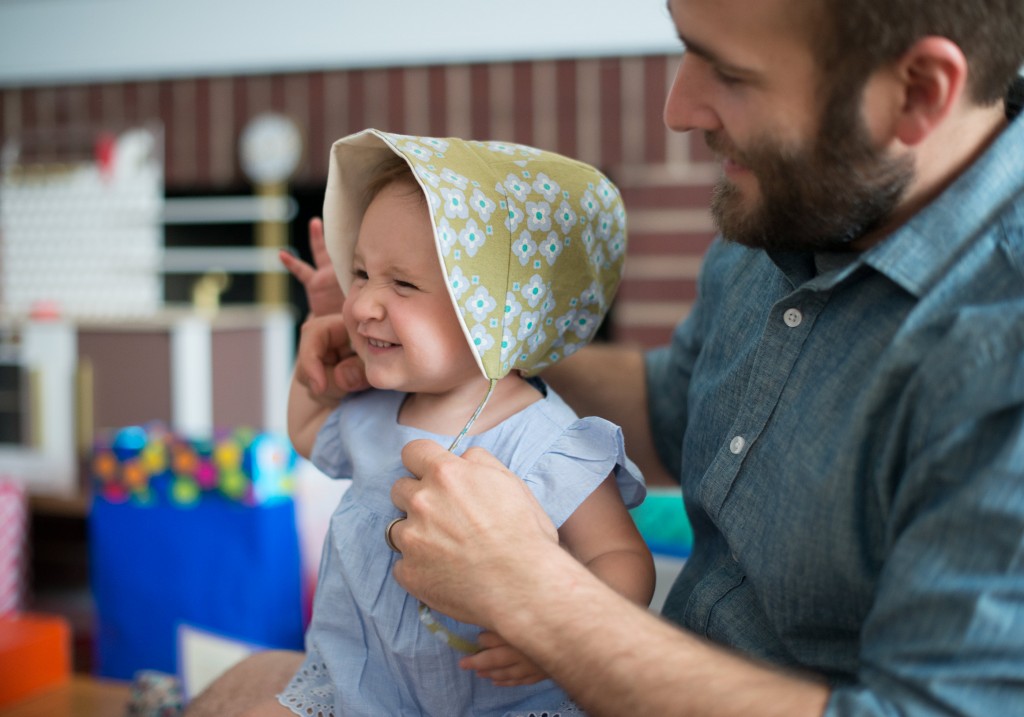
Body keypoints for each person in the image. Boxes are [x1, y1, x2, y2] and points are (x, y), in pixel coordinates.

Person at [188, 0, 1024, 714]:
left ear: (917, 92)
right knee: (235, 689)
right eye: (683, 44)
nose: (678, 107)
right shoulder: (790, 215)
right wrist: (448, 341)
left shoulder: (1000, 349)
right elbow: (674, 407)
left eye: (729, 73)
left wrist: (535, 595)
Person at [253, 130, 654, 717]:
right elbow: (308, 429)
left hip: (505, 704)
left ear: (500, 313)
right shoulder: (376, 406)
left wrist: (562, 637)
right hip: (361, 690)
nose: (363, 303)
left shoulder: (546, 441)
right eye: (360, 274)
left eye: (404, 284)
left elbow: (621, 559)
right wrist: (319, 328)